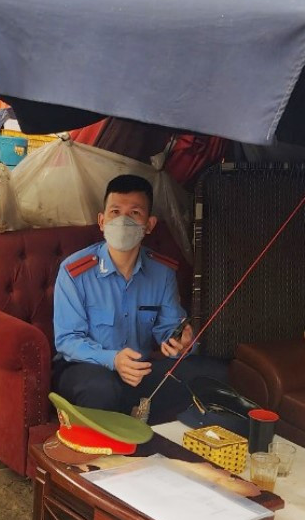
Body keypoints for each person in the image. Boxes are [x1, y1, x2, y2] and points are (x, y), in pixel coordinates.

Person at [52, 174, 227, 423]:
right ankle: (118, 429)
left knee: (215, 374)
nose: (123, 220)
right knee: (102, 390)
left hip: (139, 372)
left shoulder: (162, 272)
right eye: (115, 211)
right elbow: (68, 341)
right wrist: (113, 360)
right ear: (102, 221)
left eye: (135, 213)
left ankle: (140, 419)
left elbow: (169, 329)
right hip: (85, 368)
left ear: (149, 224)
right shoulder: (75, 271)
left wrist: (182, 342)